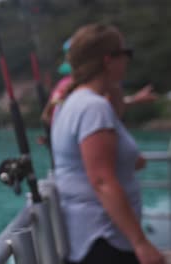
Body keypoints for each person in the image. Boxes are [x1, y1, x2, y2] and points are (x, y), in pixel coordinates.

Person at [51, 23, 165, 264]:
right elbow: (102, 181)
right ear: (108, 60)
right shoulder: (93, 108)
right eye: (126, 54)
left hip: (91, 237)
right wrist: (141, 243)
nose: (127, 61)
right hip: (103, 239)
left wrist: (114, 91)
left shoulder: (70, 104)